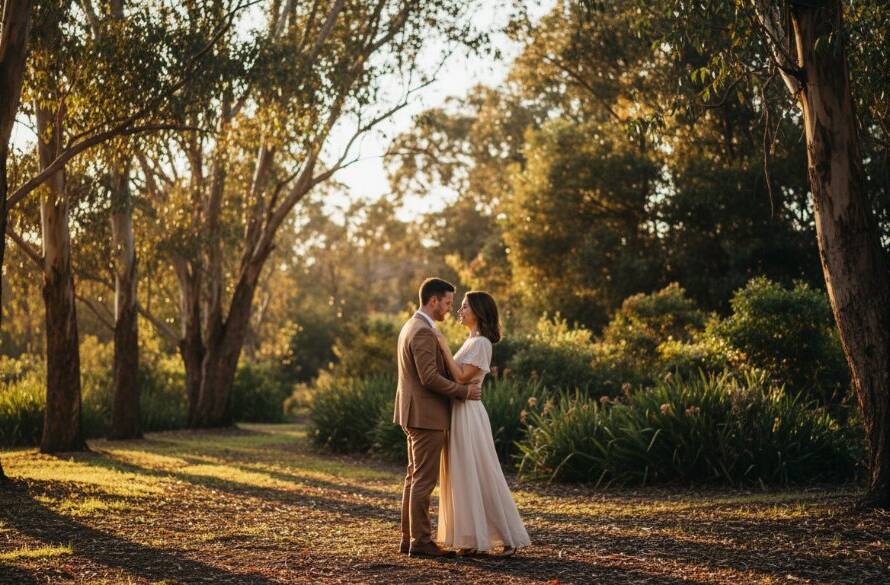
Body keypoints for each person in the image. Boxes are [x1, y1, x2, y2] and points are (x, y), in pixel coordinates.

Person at [435, 291, 531, 556]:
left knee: (481, 470)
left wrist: (442, 348)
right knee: (463, 473)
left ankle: (509, 537)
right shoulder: (470, 342)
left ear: (477, 311)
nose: (459, 310)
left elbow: (464, 377)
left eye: (464, 306)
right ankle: (472, 538)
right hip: (459, 411)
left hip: (469, 413)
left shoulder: (482, 343)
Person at [393, 277, 482, 558]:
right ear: (433, 301)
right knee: (423, 480)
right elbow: (429, 377)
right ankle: (421, 542)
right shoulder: (422, 331)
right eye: (447, 302)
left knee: (414, 477)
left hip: (416, 412)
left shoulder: (413, 325)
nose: (449, 308)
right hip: (426, 415)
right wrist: (463, 392)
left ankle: (410, 539)